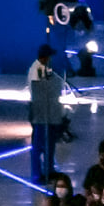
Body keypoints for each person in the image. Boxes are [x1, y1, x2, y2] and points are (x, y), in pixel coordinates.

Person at [29, 45, 64, 185]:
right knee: (38, 145)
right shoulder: (36, 70)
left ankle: (49, 170)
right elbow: (40, 92)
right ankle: (37, 174)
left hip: (49, 114)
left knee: (49, 144)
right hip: (41, 114)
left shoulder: (45, 70)